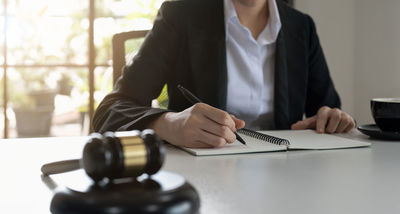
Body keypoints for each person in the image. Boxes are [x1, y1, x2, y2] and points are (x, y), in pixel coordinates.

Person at [93, 0, 355, 148]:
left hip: (285, 177)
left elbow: (327, 109)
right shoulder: (181, 15)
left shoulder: (301, 27)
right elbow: (110, 112)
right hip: (205, 179)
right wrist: (169, 125)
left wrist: (330, 118)